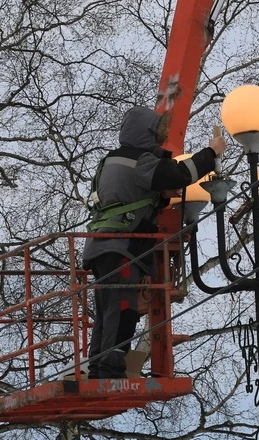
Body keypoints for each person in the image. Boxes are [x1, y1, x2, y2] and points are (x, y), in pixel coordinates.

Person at [83, 106, 226, 379]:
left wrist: (158, 196)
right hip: (122, 246)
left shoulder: (111, 162)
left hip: (101, 245)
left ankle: (98, 365)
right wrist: (211, 153)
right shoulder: (139, 161)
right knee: (124, 307)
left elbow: (129, 195)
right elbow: (180, 175)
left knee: (107, 307)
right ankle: (111, 367)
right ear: (147, 133)